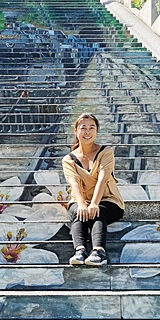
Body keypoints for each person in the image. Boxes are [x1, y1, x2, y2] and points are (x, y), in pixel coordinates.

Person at [62, 112, 125, 266]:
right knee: (79, 212)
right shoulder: (68, 159)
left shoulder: (106, 152)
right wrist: (83, 204)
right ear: (76, 131)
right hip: (80, 200)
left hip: (108, 200)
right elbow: (74, 183)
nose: (87, 132)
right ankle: (80, 251)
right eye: (83, 128)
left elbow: (103, 178)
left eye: (92, 127)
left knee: (98, 212)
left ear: (96, 131)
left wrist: (94, 203)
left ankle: (98, 252)